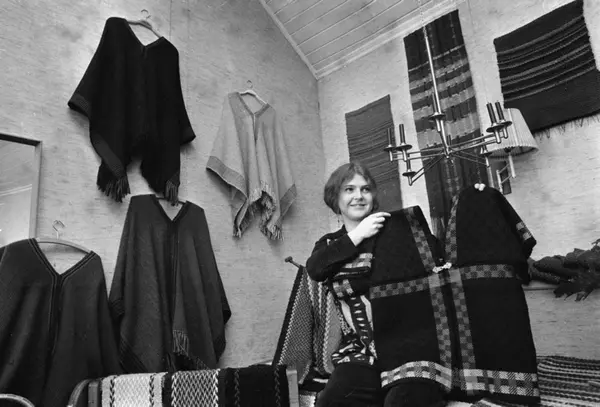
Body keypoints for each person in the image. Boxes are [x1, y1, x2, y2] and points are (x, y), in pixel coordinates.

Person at [305, 161, 390, 406]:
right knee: (330, 401)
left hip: (404, 346)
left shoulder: (392, 231)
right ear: (336, 197)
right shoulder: (329, 244)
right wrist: (358, 234)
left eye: (365, 189)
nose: (359, 196)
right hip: (360, 350)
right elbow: (316, 269)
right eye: (349, 189)